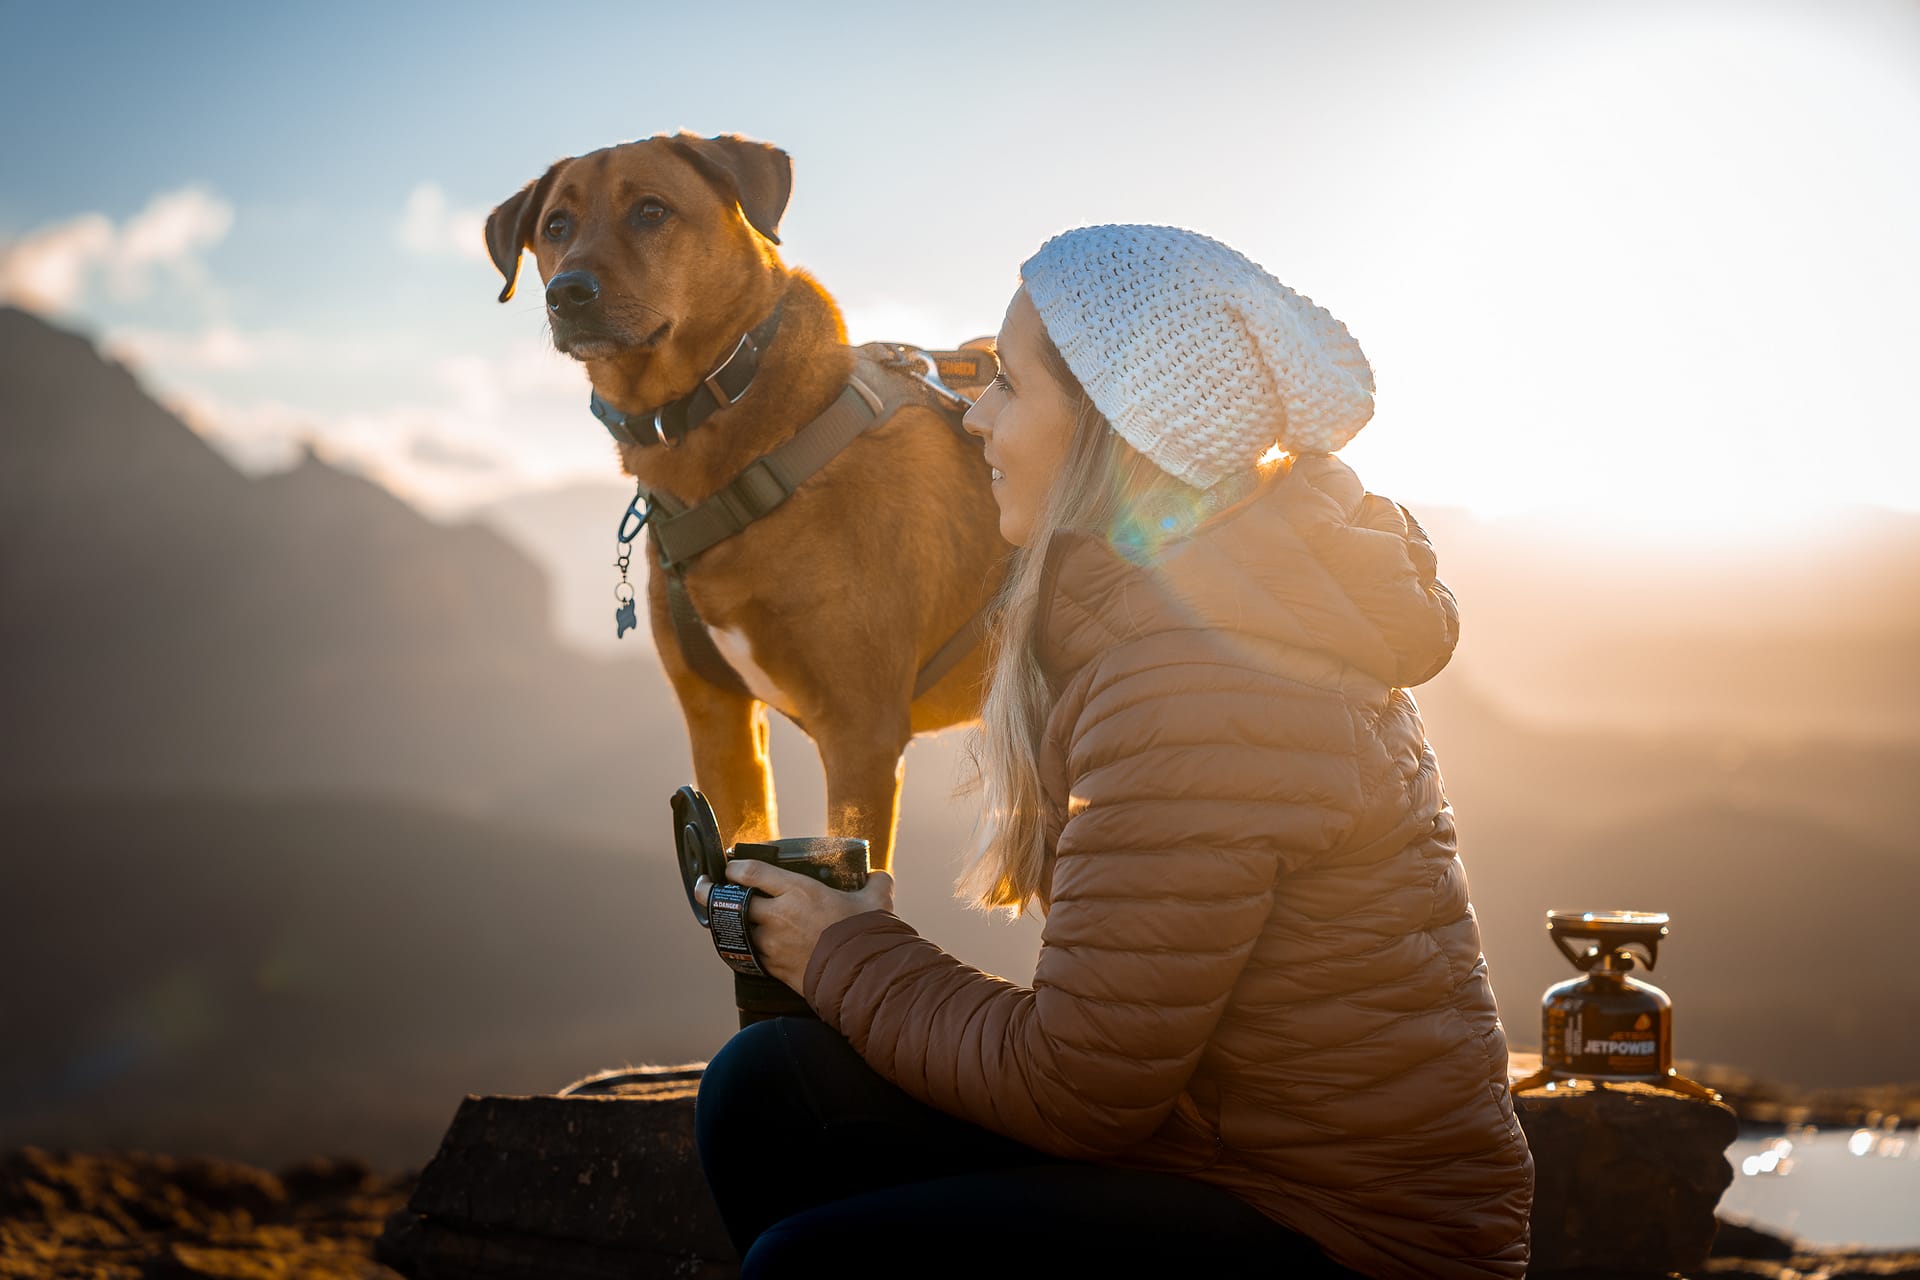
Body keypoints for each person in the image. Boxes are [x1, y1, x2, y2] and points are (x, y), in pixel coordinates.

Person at [692, 224, 1533, 1279]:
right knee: (772, 1088)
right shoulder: (1186, 610)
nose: (972, 413)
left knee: (809, 1261)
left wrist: (841, 949)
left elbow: (1079, 1086)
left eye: (1005, 383)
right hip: (1218, 1151)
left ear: (1108, 429)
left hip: (1346, 1238)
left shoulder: (1202, 678)